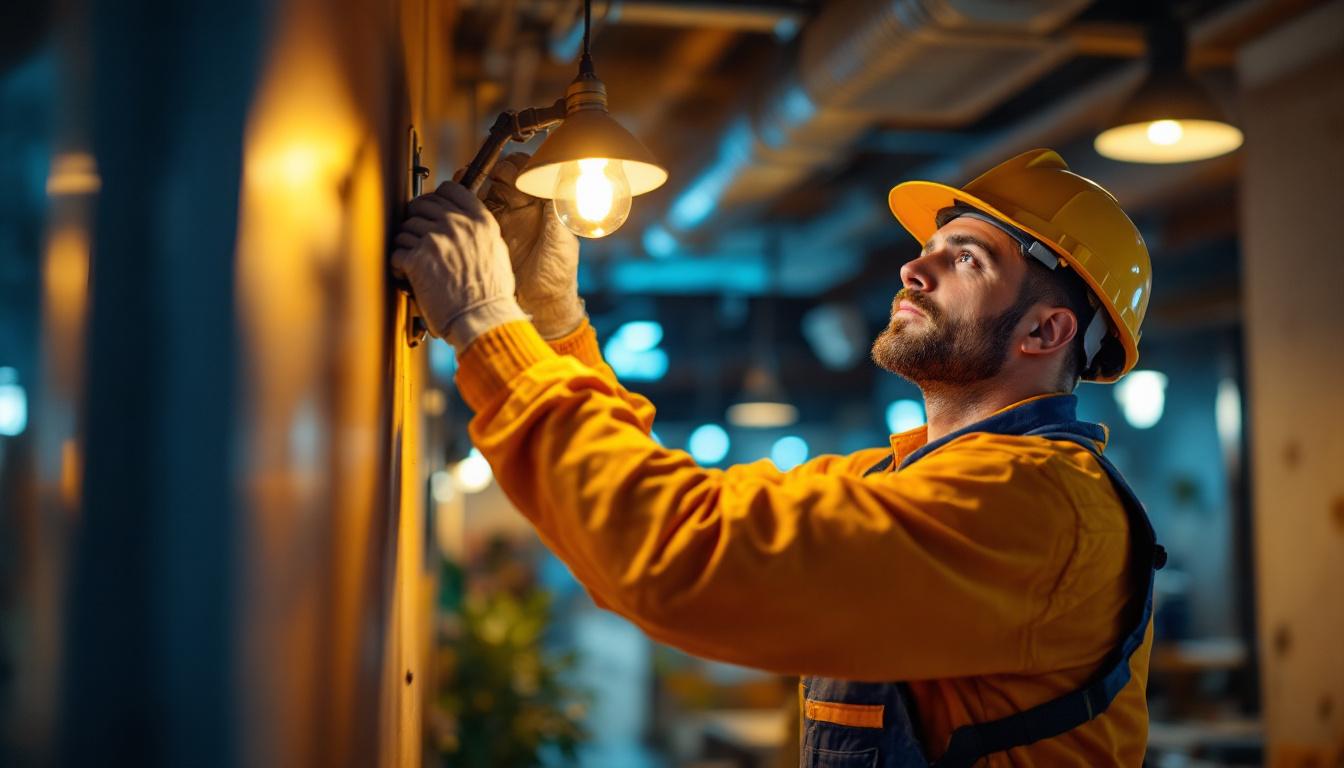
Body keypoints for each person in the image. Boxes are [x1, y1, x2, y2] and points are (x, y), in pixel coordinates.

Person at [391, 148, 1161, 767]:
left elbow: (683, 558)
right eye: (926, 248)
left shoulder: (1038, 508)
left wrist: (492, 328)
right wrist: (556, 328)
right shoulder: (890, 479)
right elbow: (672, 509)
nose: (912, 269)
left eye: (966, 258)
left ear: (1046, 334)